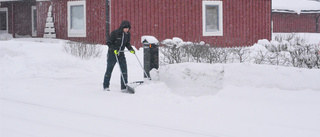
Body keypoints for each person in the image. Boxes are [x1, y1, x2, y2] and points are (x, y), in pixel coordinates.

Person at [103, 20, 135, 91]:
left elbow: (127, 43)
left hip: (121, 54)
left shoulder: (127, 34)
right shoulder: (115, 33)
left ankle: (124, 87)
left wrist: (130, 49)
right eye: (125, 28)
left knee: (124, 70)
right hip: (112, 54)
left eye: (128, 28)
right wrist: (114, 49)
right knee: (109, 70)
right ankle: (106, 86)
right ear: (122, 28)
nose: (127, 30)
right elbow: (109, 42)